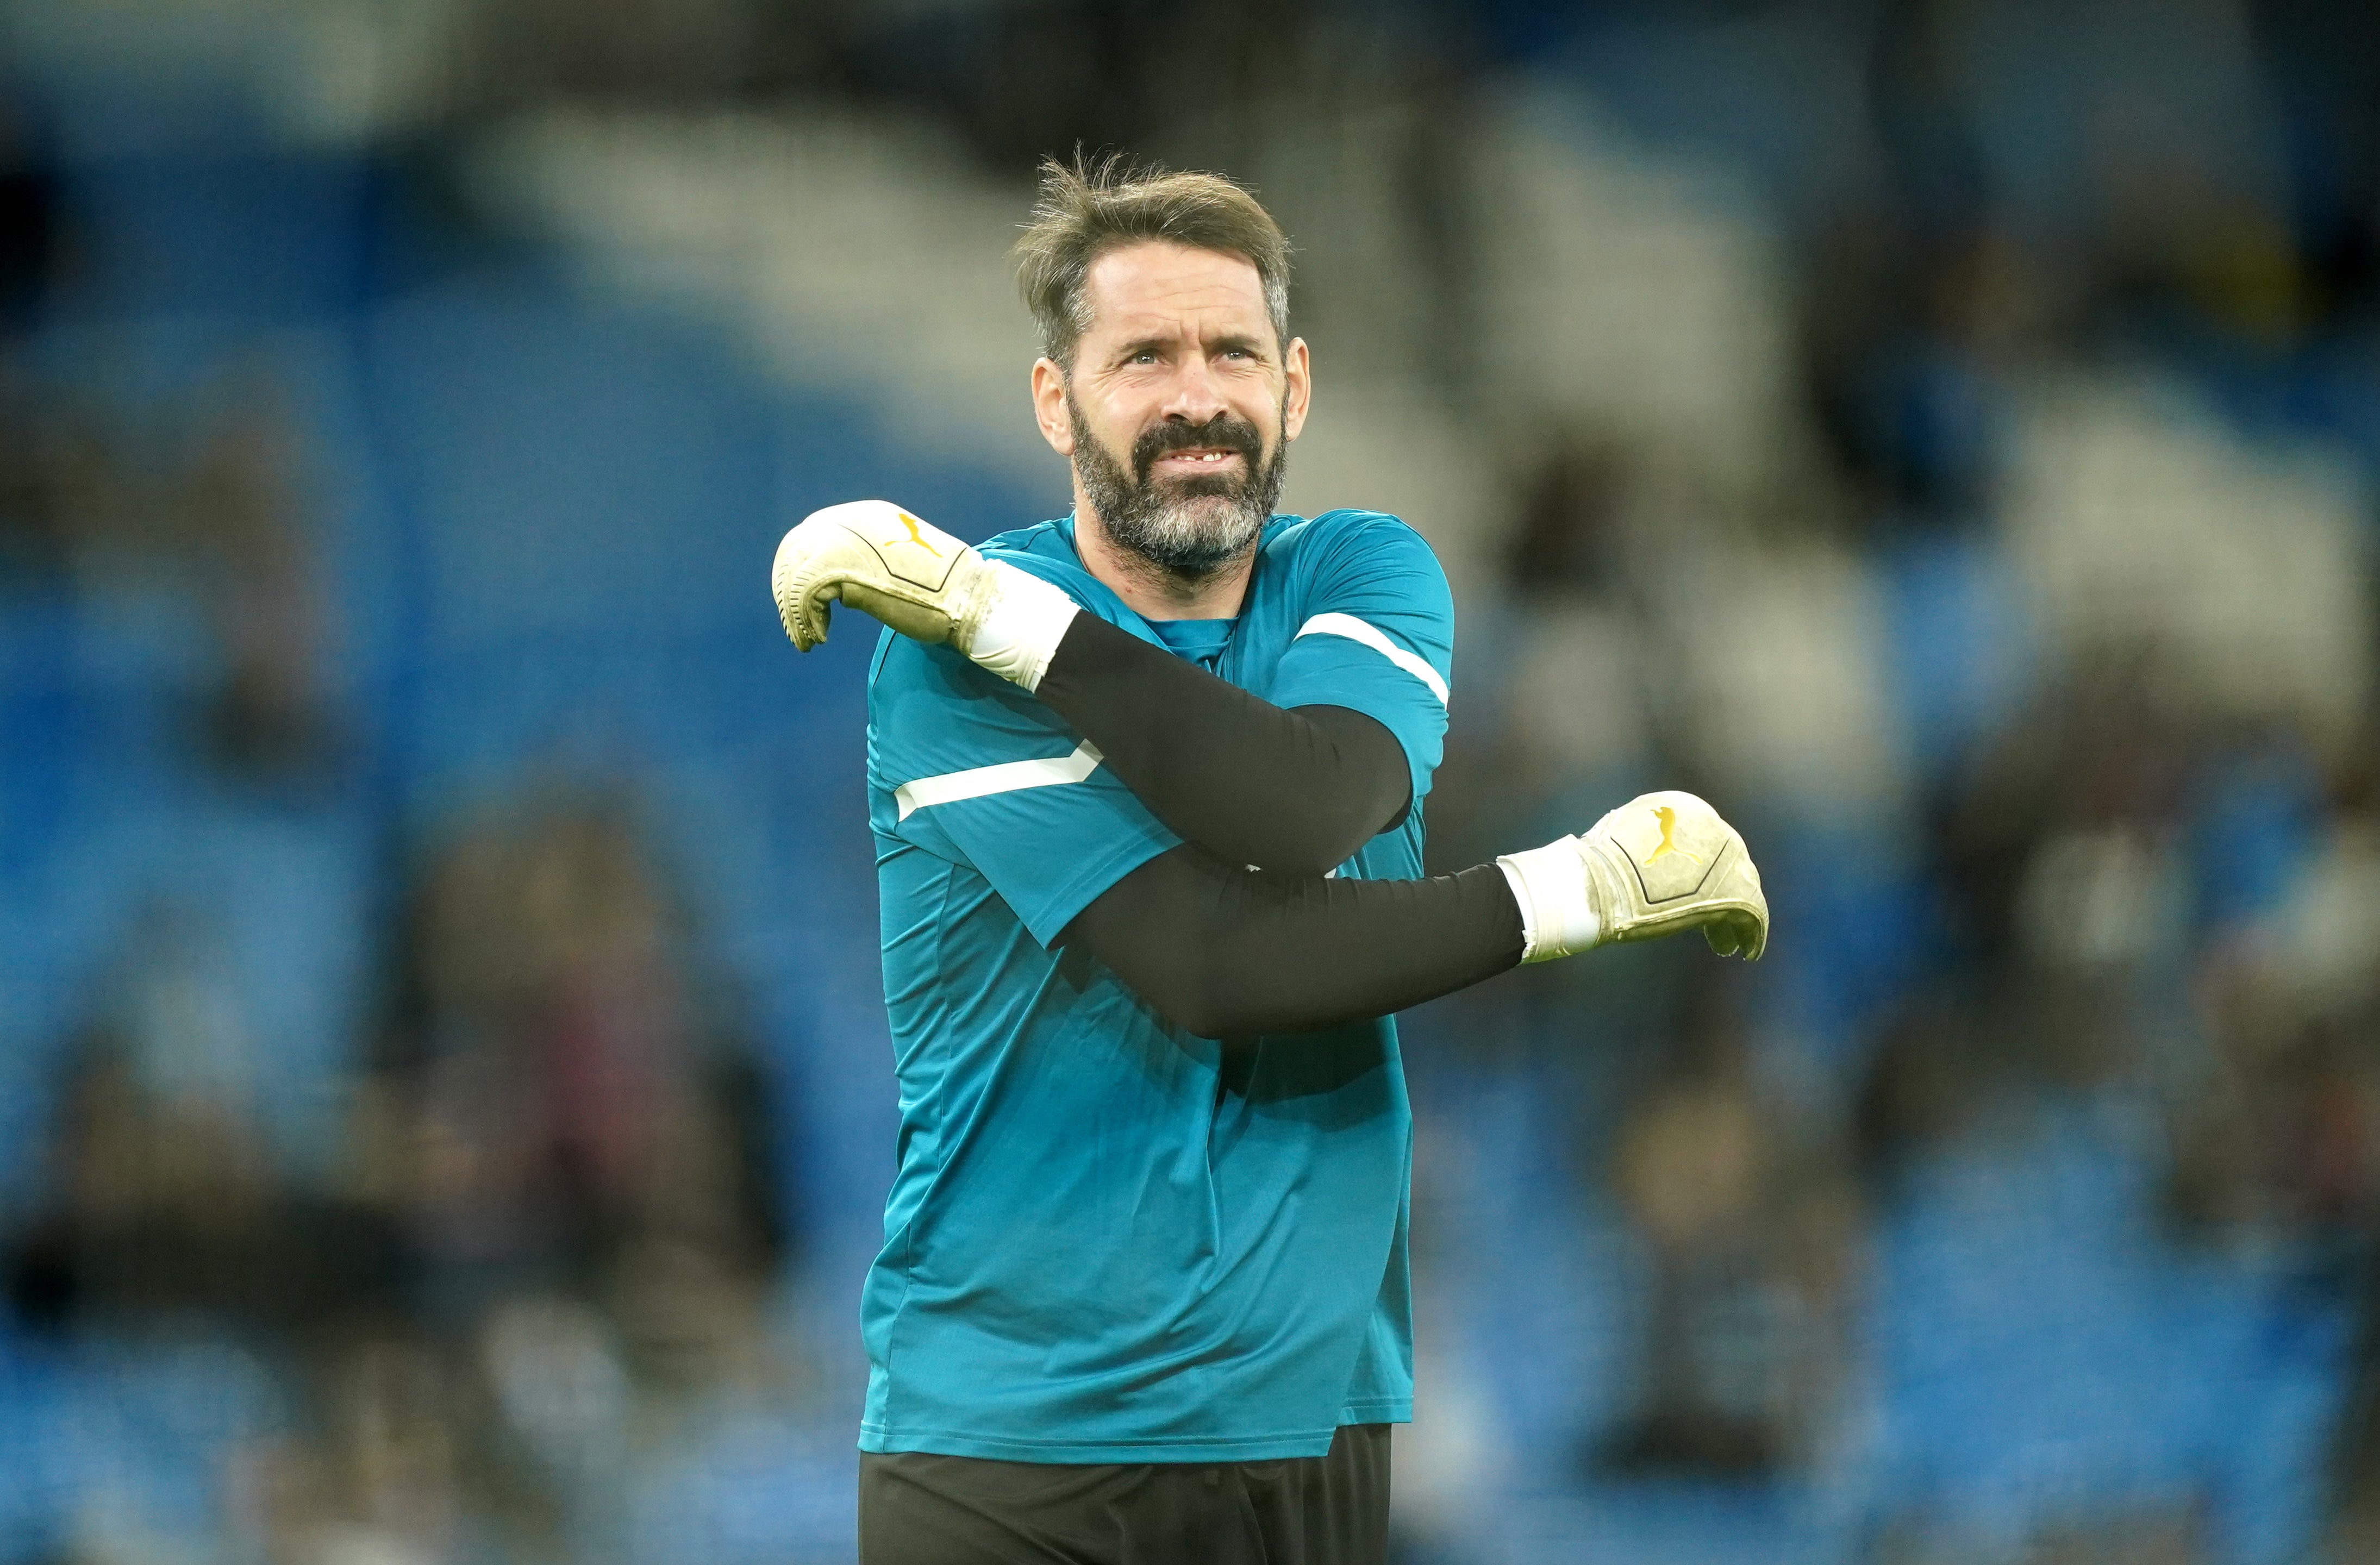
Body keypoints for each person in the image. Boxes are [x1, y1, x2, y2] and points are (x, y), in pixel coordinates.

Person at [771, 154, 1769, 1564]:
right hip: (1019, 1439)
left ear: (1292, 387)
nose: (1195, 397)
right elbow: (1206, 962)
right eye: (1141, 357)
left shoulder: (1360, 576)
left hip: (1310, 1425)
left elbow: (1306, 806)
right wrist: (1580, 889)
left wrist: (1010, 625)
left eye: (1231, 350)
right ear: (1056, 399)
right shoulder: (941, 660)